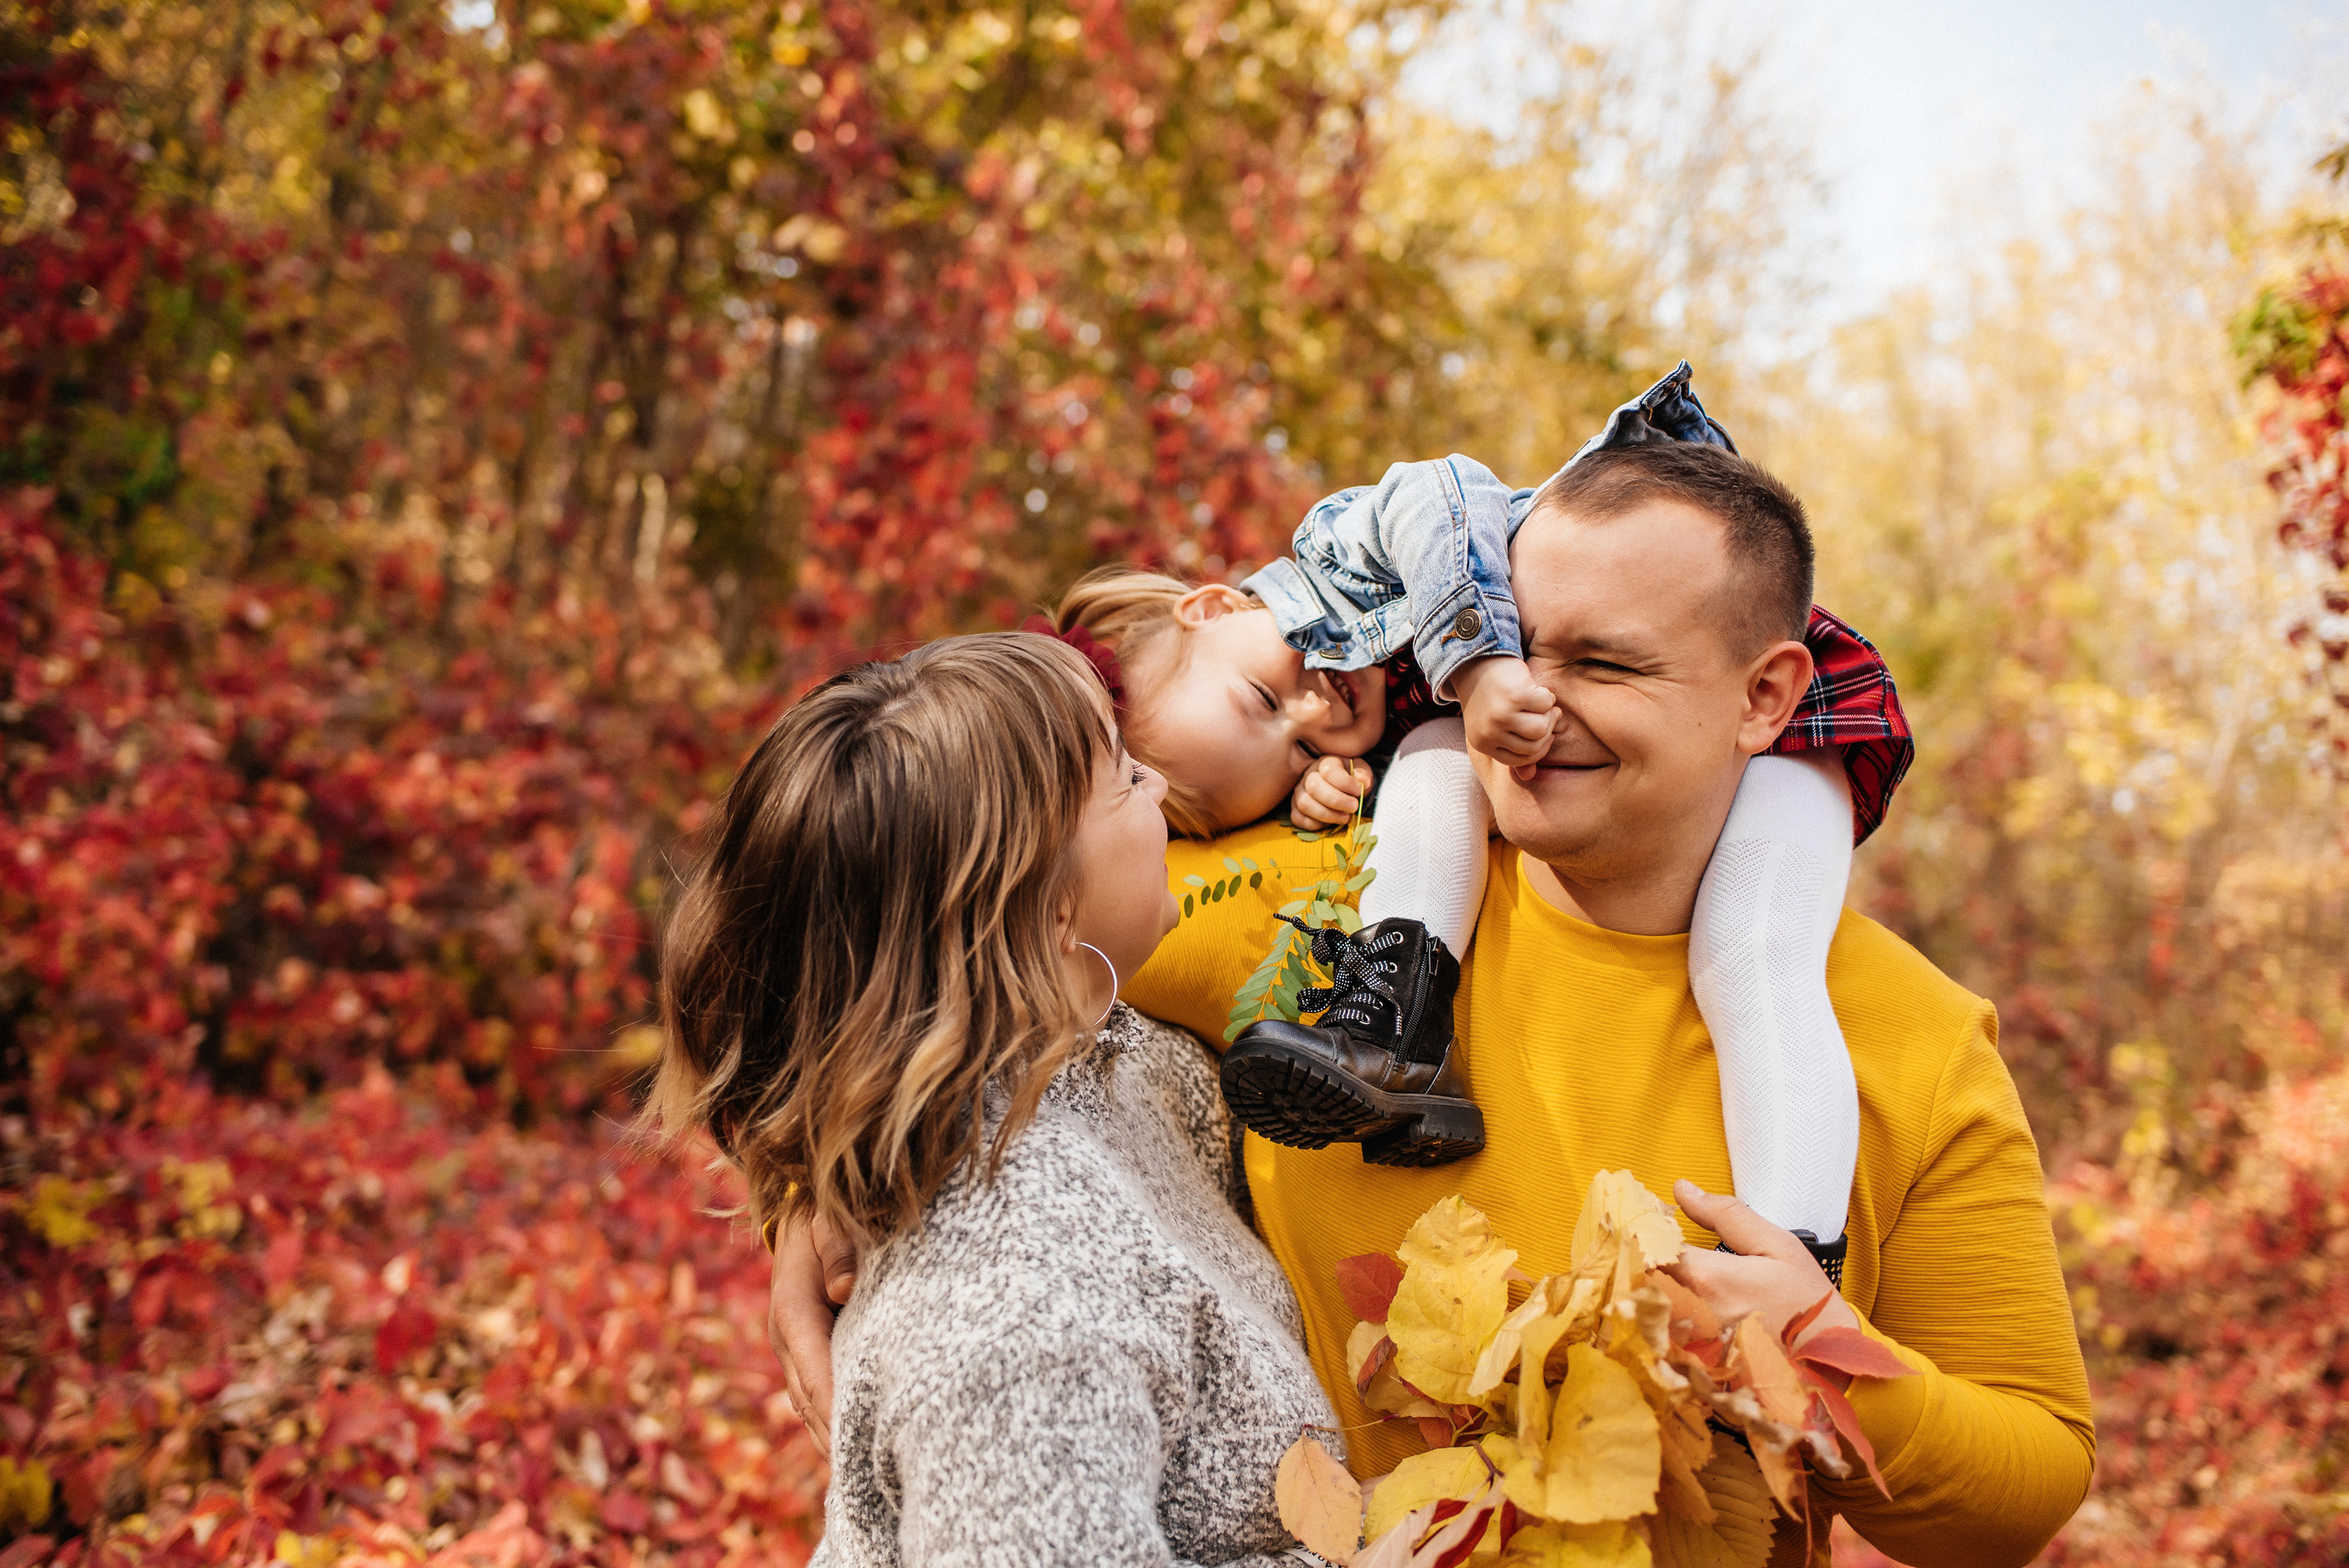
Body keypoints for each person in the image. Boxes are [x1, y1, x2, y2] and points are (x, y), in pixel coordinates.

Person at [774, 443, 2095, 1568]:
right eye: (1511, 643)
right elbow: (909, 890)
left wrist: (1819, 1352)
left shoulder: (1905, 1041)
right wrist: (818, 1178)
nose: (1527, 705)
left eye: (1608, 666)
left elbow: (2031, 1473)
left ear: (1766, 697)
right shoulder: (1307, 909)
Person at [1039, 365, 1909, 1263]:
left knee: (1754, 948)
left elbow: (1447, 494)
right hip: (1602, 752)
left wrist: (1483, 664)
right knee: (1428, 758)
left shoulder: (1344, 552)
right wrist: (1326, 787)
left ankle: (1799, 1261)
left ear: (1215, 606)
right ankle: (1400, 1032)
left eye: (1264, 696)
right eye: (1294, 754)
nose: (1316, 715)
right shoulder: (1398, 727)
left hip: (1780, 715)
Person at [651, 633, 1339, 1566]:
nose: (1161, 787)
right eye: (1125, 776)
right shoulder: (1010, 1303)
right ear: (1049, 904)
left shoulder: (1109, 1064)